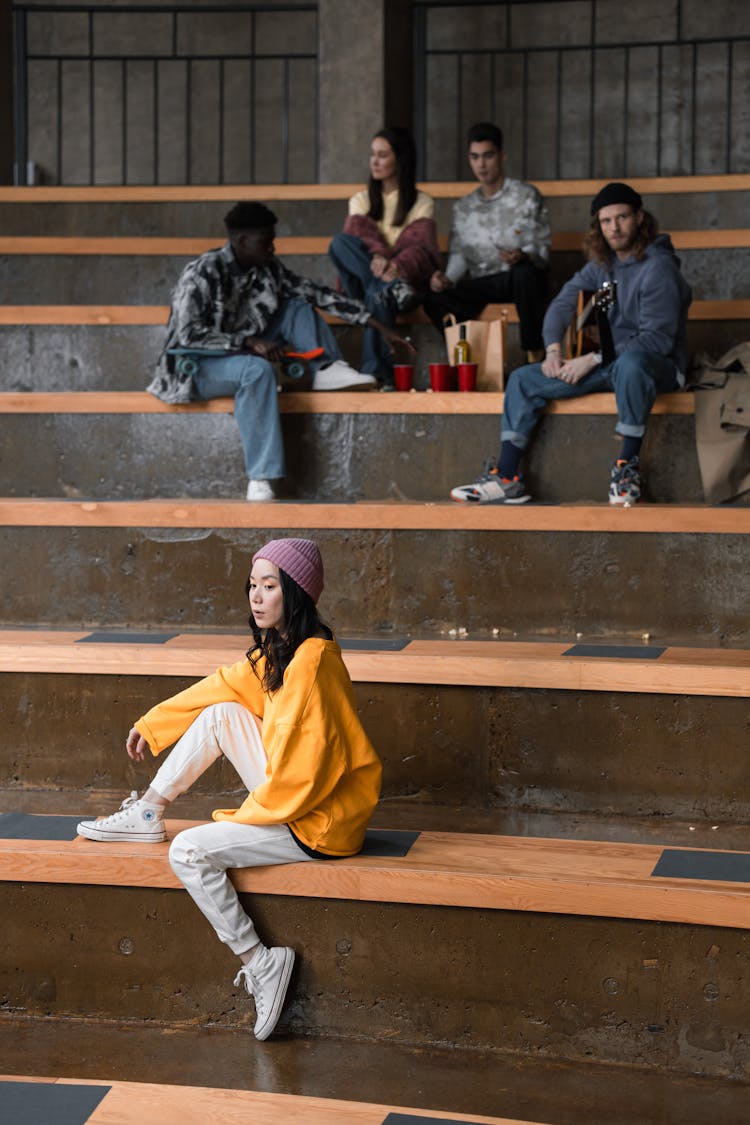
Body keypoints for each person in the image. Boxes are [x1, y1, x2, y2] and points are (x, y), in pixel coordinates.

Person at [77, 538, 382, 1041]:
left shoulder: (311, 666)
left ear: (296, 594)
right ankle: (150, 811)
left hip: (318, 825)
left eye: (270, 586)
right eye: (252, 585)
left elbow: (304, 776)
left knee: (191, 850)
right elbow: (222, 685)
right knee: (223, 713)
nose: (257, 597)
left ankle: (261, 961)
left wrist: (244, 817)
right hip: (299, 799)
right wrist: (153, 724)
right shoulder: (284, 652)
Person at [148, 202, 411, 502]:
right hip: (194, 366)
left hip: (239, 353)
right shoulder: (202, 273)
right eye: (266, 241)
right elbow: (187, 336)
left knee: (296, 304)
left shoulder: (267, 269)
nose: (272, 248)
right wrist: (248, 342)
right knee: (255, 370)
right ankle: (260, 478)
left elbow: (315, 293)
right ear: (242, 241)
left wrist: (377, 324)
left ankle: (325, 367)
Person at [450, 182, 692, 506]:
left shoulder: (658, 268)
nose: (614, 228)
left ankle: (627, 469)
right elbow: (561, 305)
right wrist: (553, 350)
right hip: (608, 364)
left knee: (632, 363)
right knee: (524, 379)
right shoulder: (604, 266)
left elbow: (656, 339)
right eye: (606, 221)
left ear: (639, 218)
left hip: (655, 366)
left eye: (621, 218)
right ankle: (507, 477)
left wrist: (592, 359)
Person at [424, 122, 550, 362]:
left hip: (518, 280)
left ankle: (535, 355)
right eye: (475, 157)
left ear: (501, 156)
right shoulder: (464, 207)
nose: (481, 164)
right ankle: (470, 363)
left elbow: (541, 252)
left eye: (488, 156)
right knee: (433, 297)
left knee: (526, 274)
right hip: (483, 282)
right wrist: (446, 280)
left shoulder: (526, 195)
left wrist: (522, 255)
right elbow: (460, 255)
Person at [328, 126, 441, 384]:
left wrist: (394, 266)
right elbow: (356, 242)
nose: (374, 161)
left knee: (376, 292)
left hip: (400, 281)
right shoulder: (360, 199)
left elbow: (420, 249)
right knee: (339, 243)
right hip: (368, 278)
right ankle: (389, 286)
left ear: (399, 159)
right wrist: (378, 257)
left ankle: (376, 374)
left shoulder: (422, 202)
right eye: (372, 154)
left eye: (382, 155)